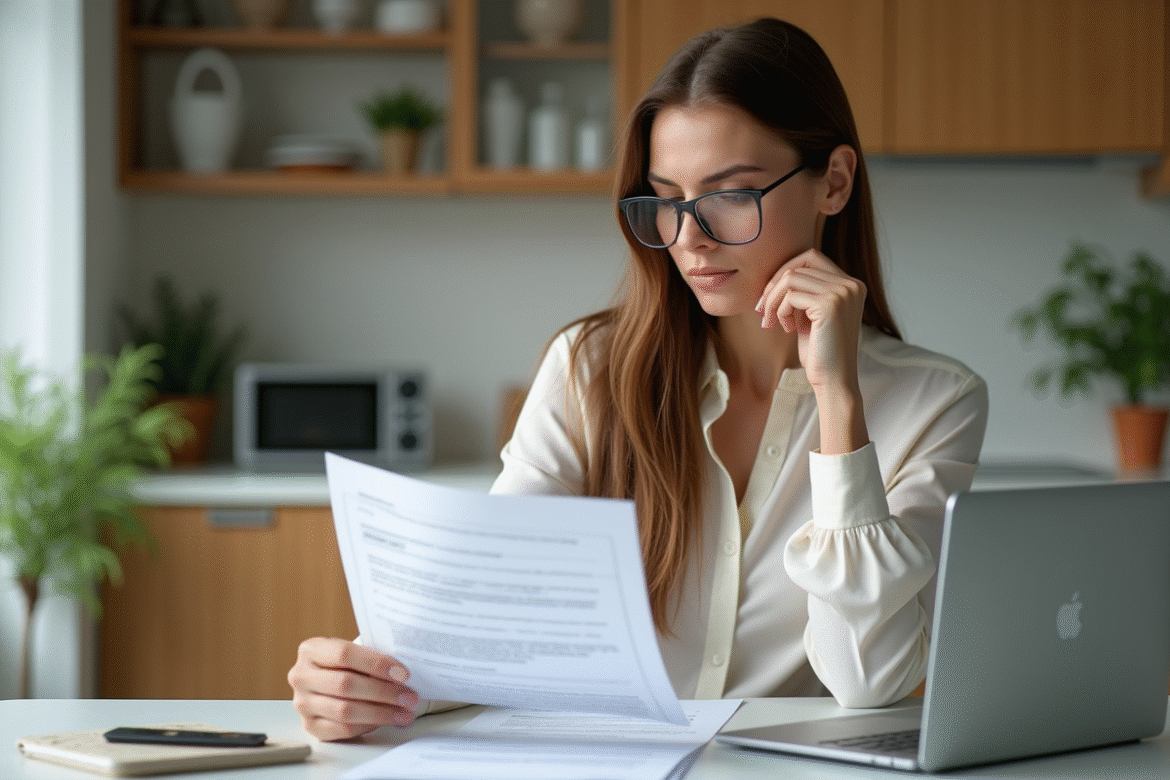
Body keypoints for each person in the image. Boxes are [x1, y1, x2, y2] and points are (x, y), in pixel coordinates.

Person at [287, 17, 988, 742]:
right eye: (668, 199)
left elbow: (869, 681)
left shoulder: (936, 403)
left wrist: (839, 402)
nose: (689, 239)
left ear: (833, 182)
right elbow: (487, 624)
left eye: (731, 194)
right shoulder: (587, 369)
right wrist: (366, 683)